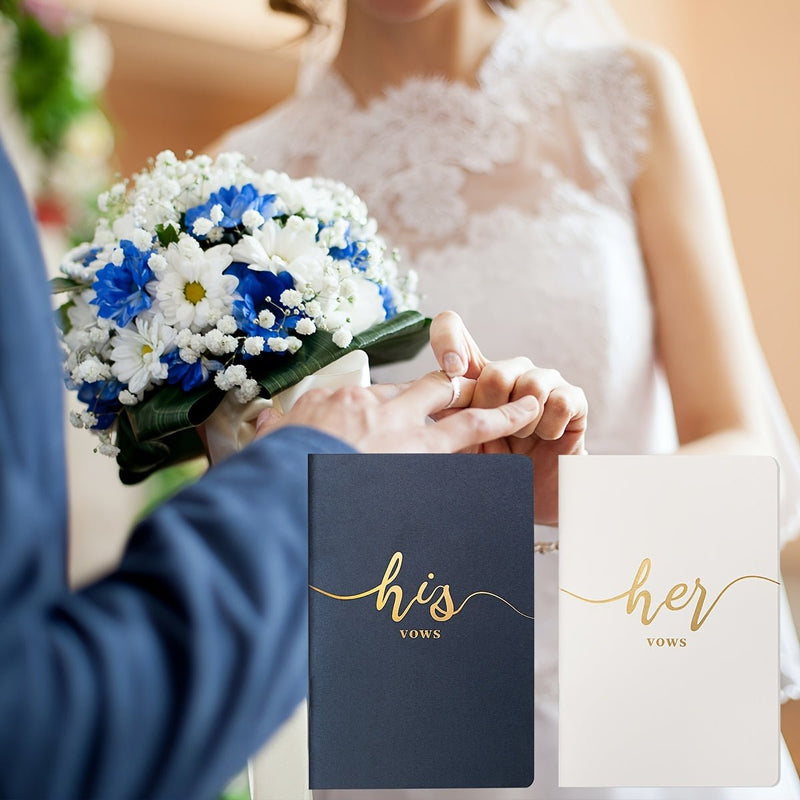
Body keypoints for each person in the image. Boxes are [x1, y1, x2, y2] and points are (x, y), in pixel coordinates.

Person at [217, 0, 800, 797]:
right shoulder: (238, 187)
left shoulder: (621, 94)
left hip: (642, 683)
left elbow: (746, 445)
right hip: (410, 715)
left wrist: (581, 498)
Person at [0, 130, 588, 800]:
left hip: (570, 657)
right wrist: (313, 476)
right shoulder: (224, 172)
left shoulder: (614, 101)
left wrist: (558, 511)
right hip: (338, 676)